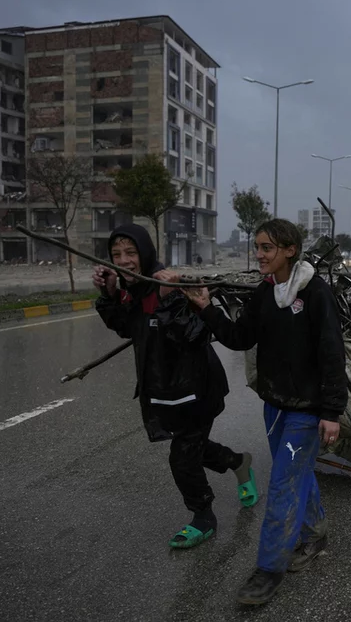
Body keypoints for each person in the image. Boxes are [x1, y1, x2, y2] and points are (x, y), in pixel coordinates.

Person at [183, 218, 347, 606]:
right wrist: (206, 308)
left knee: (282, 486)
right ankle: (315, 533)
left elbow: (332, 355)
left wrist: (332, 411)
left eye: (266, 248)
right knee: (296, 475)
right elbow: (241, 337)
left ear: (289, 250)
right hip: (274, 406)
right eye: (257, 247)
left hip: (307, 412)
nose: (259, 254)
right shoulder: (265, 293)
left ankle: (268, 570)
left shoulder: (315, 294)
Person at [93, 223, 258, 550]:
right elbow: (127, 328)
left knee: (181, 457)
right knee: (193, 448)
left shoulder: (172, 285)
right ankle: (239, 462)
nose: (123, 260)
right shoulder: (135, 289)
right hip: (163, 390)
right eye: (116, 255)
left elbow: (196, 336)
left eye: (130, 253)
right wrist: (109, 294)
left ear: (145, 253)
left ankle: (203, 517)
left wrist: (169, 301)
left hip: (197, 388)